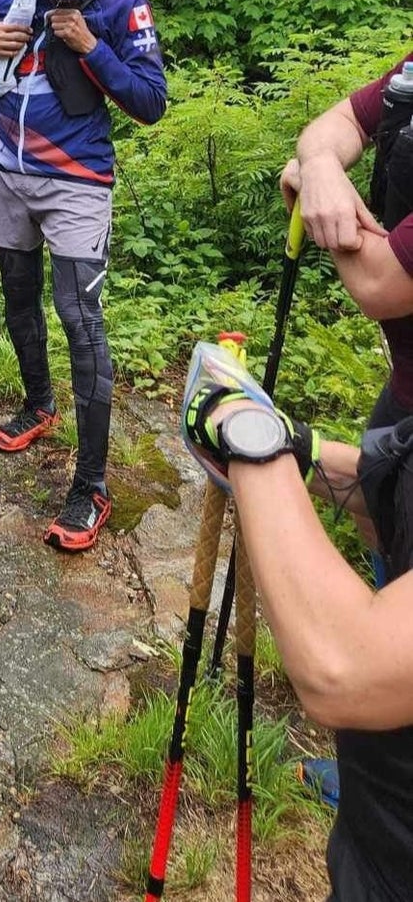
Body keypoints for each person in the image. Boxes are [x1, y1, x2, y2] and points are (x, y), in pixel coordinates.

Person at [0, 0, 166, 551]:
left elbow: (151, 101)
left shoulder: (123, 6)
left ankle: (92, 486)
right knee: (17, 295)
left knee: (80, 318)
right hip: (4, 168)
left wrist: (90, 48)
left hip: (77, 178)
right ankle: (38, 404)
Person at [183, 348, 413, 900]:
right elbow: (389, 488)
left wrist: (246, 430)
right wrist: (294, 444)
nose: (341, 252)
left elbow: (343, 666)